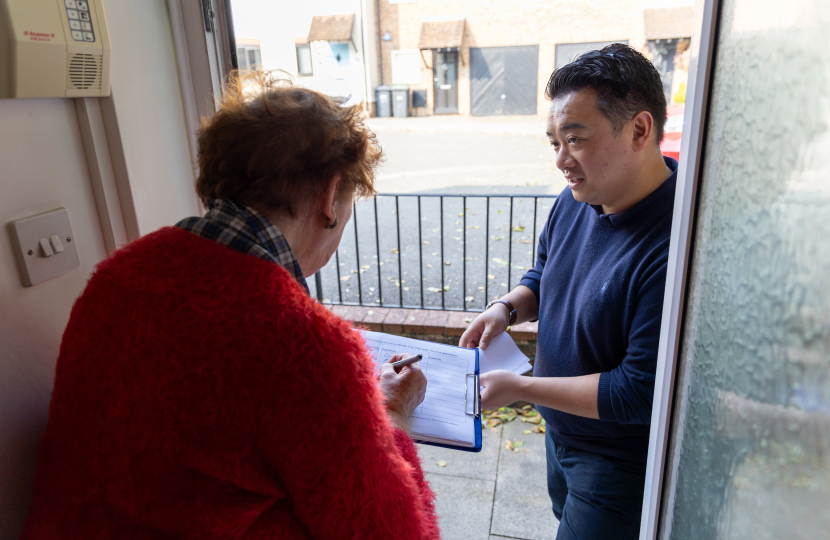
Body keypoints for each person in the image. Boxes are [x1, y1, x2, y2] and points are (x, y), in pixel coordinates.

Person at [22, 73, 440, 539]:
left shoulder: (118, 276)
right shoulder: (305, 346)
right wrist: (392, 415)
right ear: (330, 197)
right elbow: (397, 532)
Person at [460, 44, 677, 540]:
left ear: (640, 130)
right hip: (561, 434)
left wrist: (520, 388)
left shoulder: (675, 245)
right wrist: (507, 308)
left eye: (575, 140)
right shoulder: (577, 197)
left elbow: (637, 390)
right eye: (554, 141)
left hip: (616, 461)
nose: (561, 160)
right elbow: (545, 272)